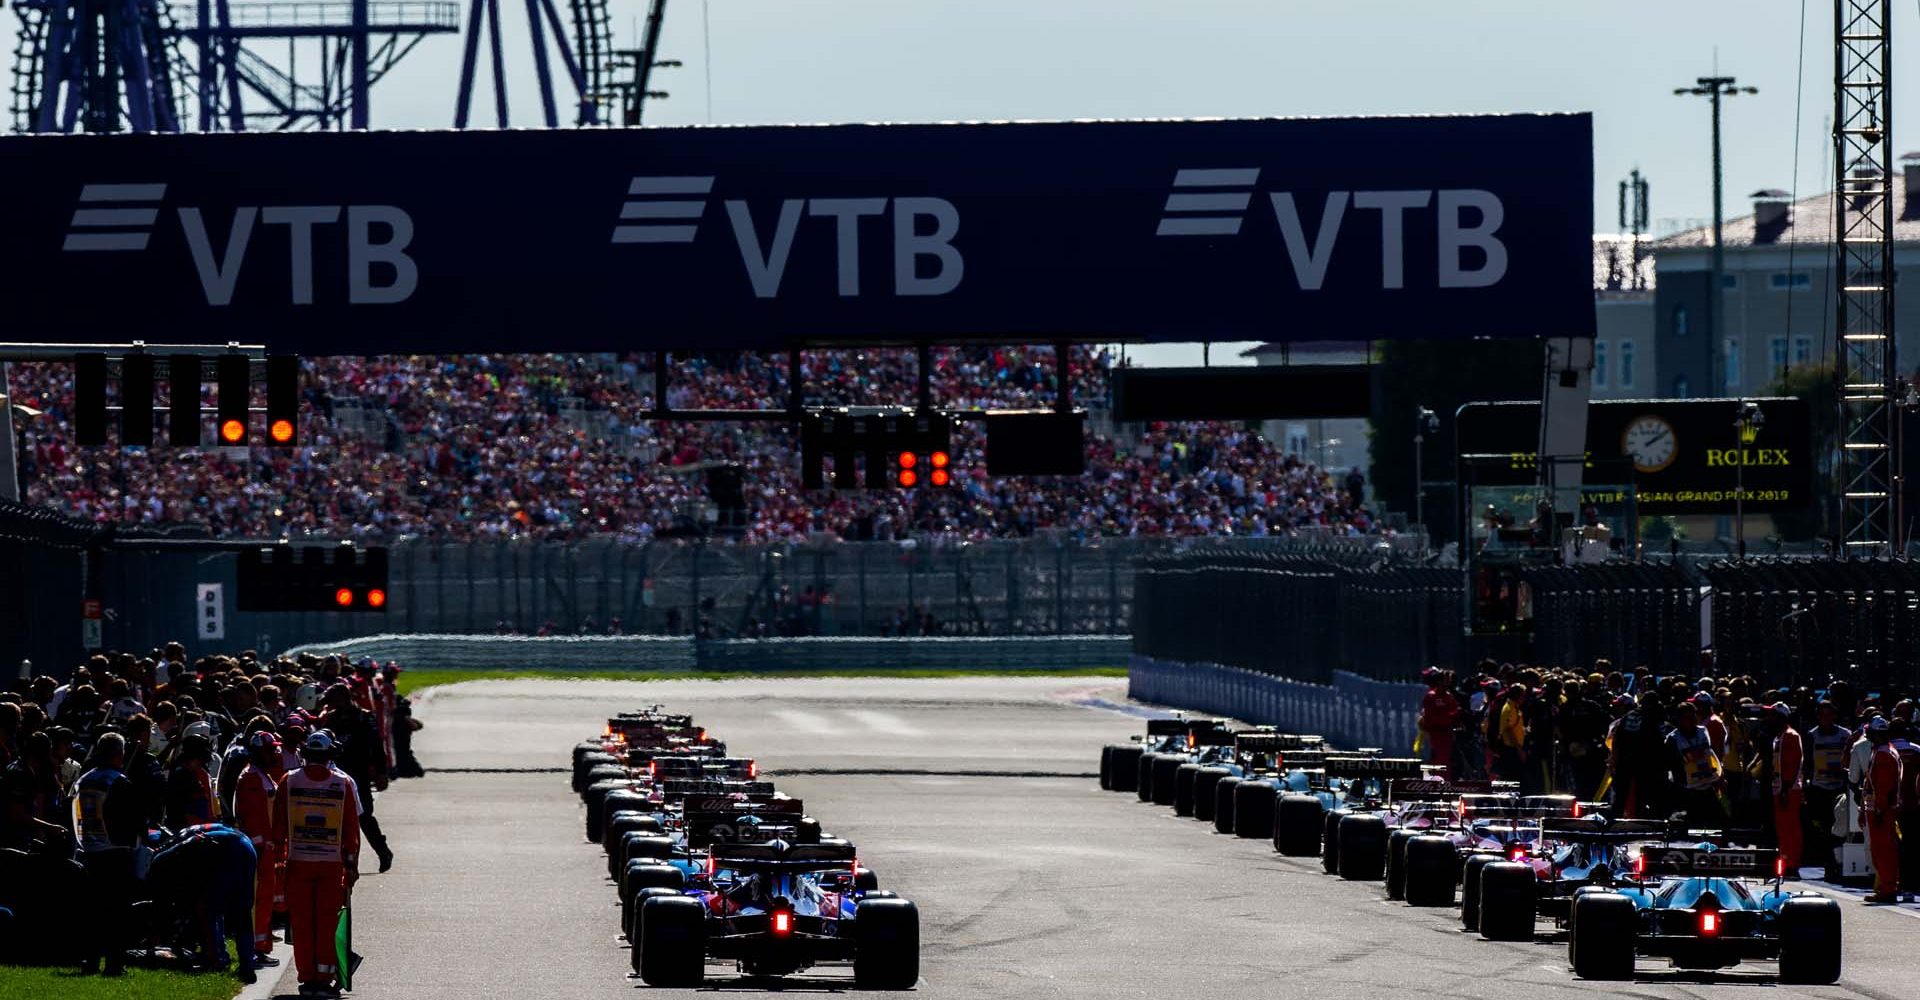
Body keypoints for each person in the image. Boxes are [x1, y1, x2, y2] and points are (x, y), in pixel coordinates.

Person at [273, 730, 361, 996]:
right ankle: (324, 977)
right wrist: (351, 865)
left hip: (298, 862)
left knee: (301, 923)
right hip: (331, 864)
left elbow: (278, 826)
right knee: (326, 922)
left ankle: (307, 978)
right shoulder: (342, 783)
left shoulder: (288, 781)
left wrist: (279, 859)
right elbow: (351, 831)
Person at [147, 823, 260, 984]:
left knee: (209, 910)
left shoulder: (163, 861)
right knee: (242, 913)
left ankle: (216, 960)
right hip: (246, 846)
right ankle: (247, 965)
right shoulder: (182, 838)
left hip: (224, 852)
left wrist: (156, 934)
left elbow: (166, 902)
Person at [71, 731, 142, 976]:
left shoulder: (83, 780)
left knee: (93, 911)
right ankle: (114, 964)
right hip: (115, 852)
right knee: (117, 912)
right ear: (119, 754)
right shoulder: (119, 781)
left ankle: (89, 961)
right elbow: (132, 820)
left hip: (88, 850)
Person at [318, 683, 394, 872]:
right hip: (336, 775)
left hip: (359, 774)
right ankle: (344, 861)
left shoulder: (365, 717)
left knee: (364, 816)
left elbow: (377, 747)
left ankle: (383, 851)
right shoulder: (331, 720)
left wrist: (381, 772)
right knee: (336, 818)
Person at [233, 731, 284, 967]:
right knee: (257, 900)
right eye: (270, 749)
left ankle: (260, 947)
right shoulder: (251, 778)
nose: (275, 752)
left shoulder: (262, 775)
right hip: (259, 849)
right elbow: (250, 816)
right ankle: (254, 949)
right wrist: (259, 845)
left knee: (264, 900)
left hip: (267, 848)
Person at [1804, 701, 1852, 882]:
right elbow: (1807, 763)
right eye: (1822, 715)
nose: (1826, 718)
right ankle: (1828, 865)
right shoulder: (1812, 735)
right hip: (1819, 789)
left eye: (1829, 714)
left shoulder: (1845, 735)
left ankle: (1840, 865)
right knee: (1824, 831)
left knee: (1840, 830)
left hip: (1839, 790)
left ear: (1834, 716)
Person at [1860, 716, 1903, 903]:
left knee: (1884, 850)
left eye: (1870, 730)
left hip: (1882, 811)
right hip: (1877, 809)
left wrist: (1878, 810)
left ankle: (1888, 888)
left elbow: (1883, 787)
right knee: (1880, 849)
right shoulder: (1880, 750)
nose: (1866, 732)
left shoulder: (1884, 754)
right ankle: (1885, 886)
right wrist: (1864, 809)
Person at [1667, 700, 1725, 828]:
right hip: (1688, 789)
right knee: (1692, 824)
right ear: (1680, 719)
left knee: (1718, 821)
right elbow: (1674, 764)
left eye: (1694, 716)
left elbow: (1708, 753)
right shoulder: (1673, 739)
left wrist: (1718, 777)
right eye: (1687, 717)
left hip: (1707, 783)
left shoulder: (1702, 731)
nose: (1692, 720)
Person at [1763, 703, 1804, 872]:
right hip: (1780, 788)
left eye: (1772, 714)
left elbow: (1792, 764)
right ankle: (1785, 859)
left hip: (1788, 789)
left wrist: (1786, 790)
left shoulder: (1790, 736)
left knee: (1790, 827)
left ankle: (1791, 863)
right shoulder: (1779, 736)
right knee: (1782, 827)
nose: (1769, 718)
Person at [1417, 669, 1459, 775]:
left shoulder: (1449, 696)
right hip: (1434, 734)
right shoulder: (1431, 696)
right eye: (1445, 680)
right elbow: (1429, 717)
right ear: (1440, 681)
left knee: (1446, 761)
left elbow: (1455, 712)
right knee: (1435, 760)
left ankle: (1445, 782)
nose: (1448, 682)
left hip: (1447, 734)